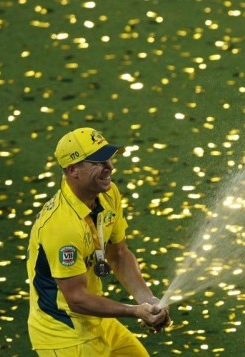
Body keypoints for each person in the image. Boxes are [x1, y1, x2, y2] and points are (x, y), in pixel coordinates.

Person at [26, 127, 171, 356]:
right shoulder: (61, 226)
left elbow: (119, 255)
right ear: (73, 170)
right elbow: (77, 299)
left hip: (97, 321)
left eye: (109, 158)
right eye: (98, 162)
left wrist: (148, 301)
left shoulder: (108, 193)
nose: (110, 168)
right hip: (65, 335)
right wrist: (134, 311)